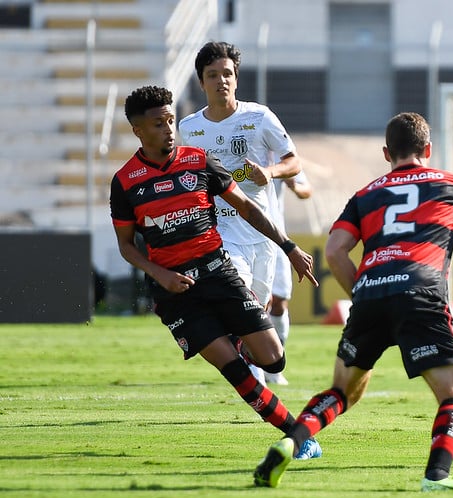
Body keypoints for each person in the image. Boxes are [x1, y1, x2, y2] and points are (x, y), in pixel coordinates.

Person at [252, 112, 453, 493]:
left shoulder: (365, 194)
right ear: (428, 149)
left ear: (386, 152)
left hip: (371, 292)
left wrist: (364, 292)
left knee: (341, 392)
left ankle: (290, 441)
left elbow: (337, 251)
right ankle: (436, 476)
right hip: (421, 293)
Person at [110, 85, 322, 462]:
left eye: (171, 120)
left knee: (274, 359)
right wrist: (160, 274)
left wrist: (288, 246)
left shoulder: (199, 161)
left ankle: (236, 340)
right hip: (176, 293)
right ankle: (297, 435)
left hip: (218, 273)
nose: (169, 129)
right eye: (158, 124)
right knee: (235, 370)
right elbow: (127, 245)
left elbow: (247, 207)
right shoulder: (125, 182)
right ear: (138, 130)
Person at [178, 41, 300, 386]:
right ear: (201, 82)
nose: (221, 81)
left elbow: (294, 161)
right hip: (221, 234)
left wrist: (270, 173)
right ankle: (250, 376)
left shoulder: (259, 117)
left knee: (261, 311)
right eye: (212, 75)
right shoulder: (189, 128)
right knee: (239, 297)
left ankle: (259, 366)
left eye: (227, 73)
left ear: (236, 78)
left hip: (262, 235)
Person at [266, 170, 314, 384]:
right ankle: (252, 365)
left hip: (277, 236)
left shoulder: (280, 151)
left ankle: (275, 364)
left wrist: (293, 184)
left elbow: (306, 190)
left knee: (279, 302)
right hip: (241, 234)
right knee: (255, 302)